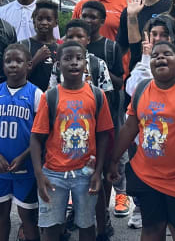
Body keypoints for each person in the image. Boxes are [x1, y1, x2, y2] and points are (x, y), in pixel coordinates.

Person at [108, 41, 175, 241]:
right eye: (155, 55)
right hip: (147, 176)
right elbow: (130, 127)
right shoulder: (142, 89)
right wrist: (113, 161)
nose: (160, 58)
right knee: (151, 230)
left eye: (167, 54)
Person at [30, 40, 113, 241]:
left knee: (86, 224)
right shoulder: (50, 96)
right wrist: (39, 175)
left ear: (86, 63)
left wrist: (98, 171)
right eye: (68, 58)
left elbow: (103, 135)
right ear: (58, 64)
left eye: (78, 58)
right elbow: (36, 138)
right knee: (51, 226)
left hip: (86, 173)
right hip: (53, 174)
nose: (74, 63)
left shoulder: (97, 95)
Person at [0, 44, 42, 241]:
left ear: (29, 65)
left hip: (26, 168)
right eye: (8, 61)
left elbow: (42, 134)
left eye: (18, 61)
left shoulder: (36, 94)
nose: (13, 65)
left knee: (28, 217)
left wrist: (24, 157)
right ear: (3, 65)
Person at [80, 0, 127, 235]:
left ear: (101, 21)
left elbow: (120, 82)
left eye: (93, 17)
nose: (89, 21)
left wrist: (101, 70)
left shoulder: (110, 47)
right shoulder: (68, 50)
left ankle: (103, 217)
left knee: (104, 166)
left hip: (105, 117)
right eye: (84, 16)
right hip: (77, 121)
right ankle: (80, 215)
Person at [116, 0, 172, 71]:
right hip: (138, 75)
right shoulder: (129, 11)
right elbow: (122, 47)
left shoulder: (172, 8)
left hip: (165, 74)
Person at [125, 15, 175, 97]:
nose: (157, 39)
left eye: (164, 35)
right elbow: (133, 90)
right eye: (154, 34)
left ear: (173, 37)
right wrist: (146, 58)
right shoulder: (145, 59)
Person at [48, 19, 113, 93]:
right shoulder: (59, 64)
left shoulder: (98, 64)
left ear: (88, 40)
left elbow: (106, 94)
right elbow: (52, 92)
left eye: (79, 36)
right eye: (70, 37)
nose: (75, 40)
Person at [20, 0, 62, 92]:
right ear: (34, 21)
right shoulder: (23, 45)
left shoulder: (61, 49)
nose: (44, 22)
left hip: (53, 100)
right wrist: (36, 59)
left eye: (48, 19)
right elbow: (17, 77)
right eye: (40, 19)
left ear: (56, 22)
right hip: (28, 98)